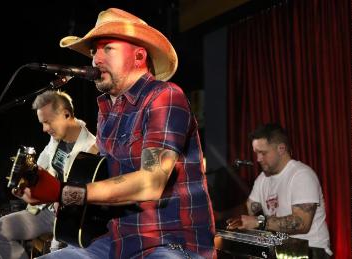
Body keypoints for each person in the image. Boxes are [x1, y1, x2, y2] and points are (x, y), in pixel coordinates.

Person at [17, 7, 216, 259]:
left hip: (169, 243)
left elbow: (151, 182)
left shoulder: (164, 96)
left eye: (107, 48)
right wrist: (47, 187)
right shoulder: (106, 112)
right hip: (116, 242)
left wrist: (64, 192)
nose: (96, 59)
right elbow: (102, 177)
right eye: (93, 52)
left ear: (139, 56)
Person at [0, 90, 97, 259]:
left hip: (71, 220)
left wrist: (56, 197)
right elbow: (40, 168)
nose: (45, 129)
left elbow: (88, 198)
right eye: (42, 123)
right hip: (45, 211)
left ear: (66, 114)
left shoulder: (92, 148)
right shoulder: (56, 138)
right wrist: (24, 184)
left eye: (48, 122)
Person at [226, 123, 332, 258]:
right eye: (256, 153)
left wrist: (259, 222)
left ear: (281, 149)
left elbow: (301, 223)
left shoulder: (301, 175)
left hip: (312, 251)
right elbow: (248, 210)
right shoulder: (262, 178)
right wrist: (219, 216)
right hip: (283, 250)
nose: (258, 159)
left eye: (263, 153)